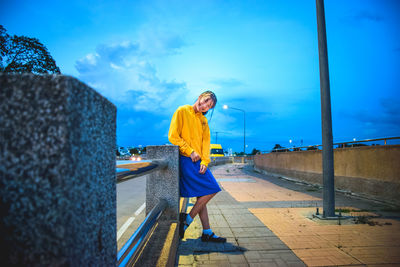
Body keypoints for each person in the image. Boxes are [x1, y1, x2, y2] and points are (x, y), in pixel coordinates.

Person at [168, 91, 226, 243]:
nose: (206, 106)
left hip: (199, 162)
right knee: (213, 188)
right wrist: (190, 151)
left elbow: (206, 144)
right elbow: (173, 136)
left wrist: (205, 162)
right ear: (200, 97)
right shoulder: (182, 111)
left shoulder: (204, 122)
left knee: (203, 195)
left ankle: (206, 231)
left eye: (210, 106)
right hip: (186, 160)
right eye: (206, 101)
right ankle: (186, 220)